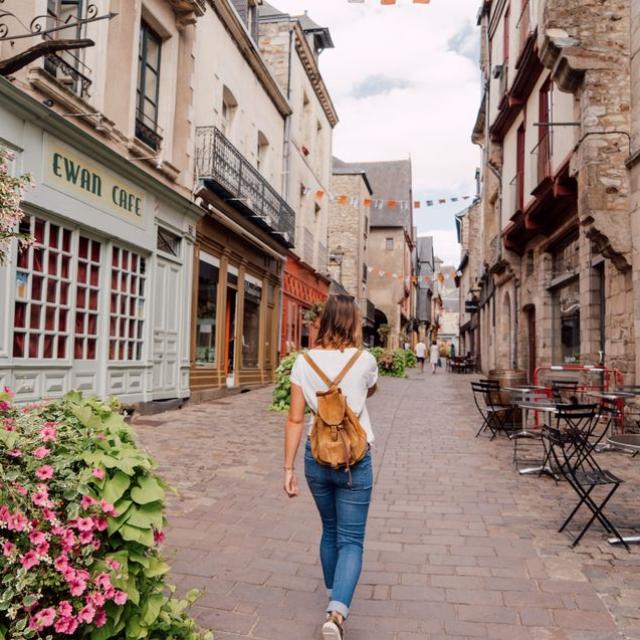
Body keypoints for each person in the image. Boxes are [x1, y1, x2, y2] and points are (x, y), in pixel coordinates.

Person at [284, 295, 378, 640]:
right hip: (356, 459)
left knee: (329, 529)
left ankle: (333, 595)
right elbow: (369, 390)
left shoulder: (303, 362)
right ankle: (336, 613)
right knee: (351, 539)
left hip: (317, 457)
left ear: (323, 321)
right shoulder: (366, 359)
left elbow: (295, 419)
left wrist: (288, 468)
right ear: (354, 323)